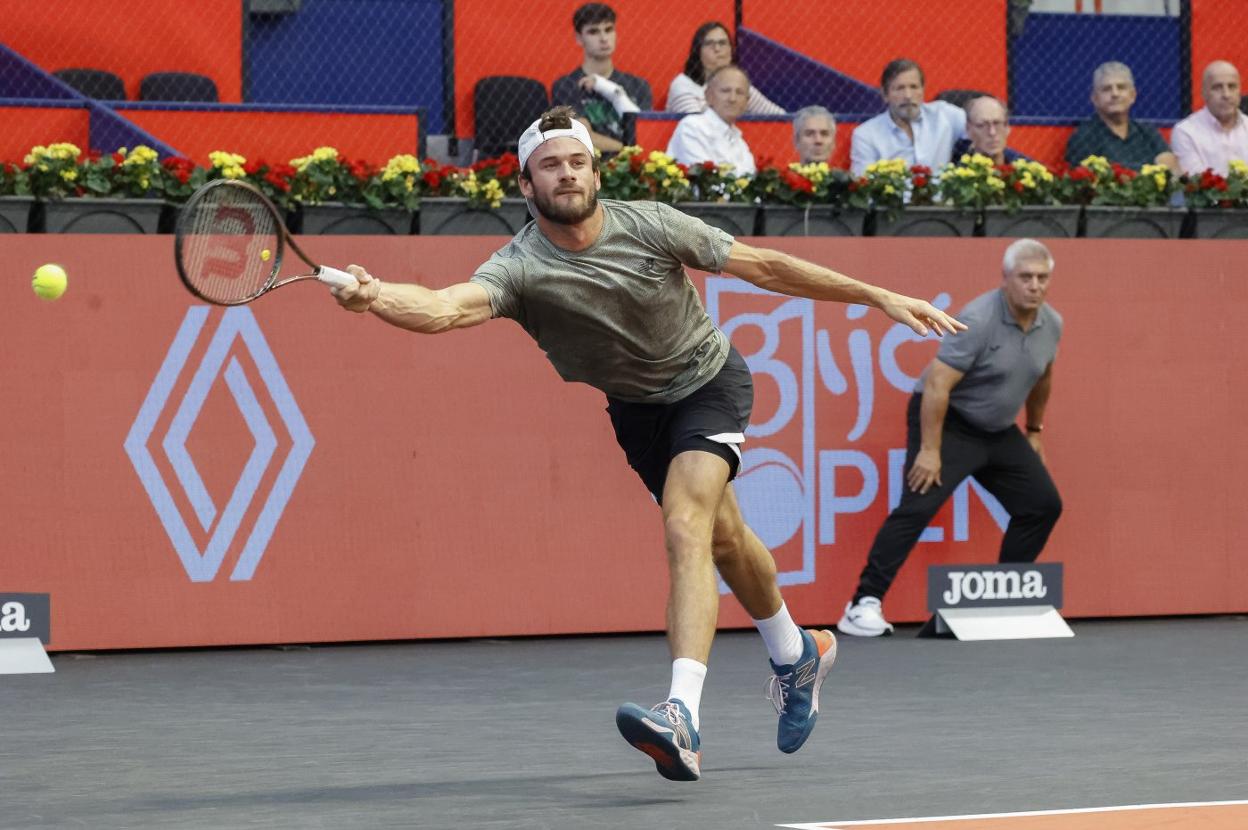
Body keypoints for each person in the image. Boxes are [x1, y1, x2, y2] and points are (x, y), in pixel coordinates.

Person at [330, 106, 965, 780]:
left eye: (577, 161)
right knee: (725, 538)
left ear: (595, 171)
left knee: (686, 525)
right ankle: (795, 652)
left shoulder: (652, 224)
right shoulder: (518, 268)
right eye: (551, 165)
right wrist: (373, 297)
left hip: (709, 383)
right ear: (526, 185)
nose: (567, 173)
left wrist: (877, 295)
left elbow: (764, 267)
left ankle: (681, 715)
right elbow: (444, 308)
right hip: (637, 415)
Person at [838, 239, 1062, 638]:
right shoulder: (978, 318)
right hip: (950, 421)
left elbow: (1042, 377)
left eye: (1042, 278)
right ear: (1006, 280)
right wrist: (930, 449)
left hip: (999, 429)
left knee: (1042, 505)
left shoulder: (1052, 324)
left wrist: (1034, 432)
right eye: (1025, 277)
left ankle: (1008, 597)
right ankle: (862, 605)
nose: (1034, 285)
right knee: (918, 507)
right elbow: (938, 385)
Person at [551, 3, 653, 155]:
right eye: (594, 32)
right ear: (579, 38)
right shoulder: (566, 85)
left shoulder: (639, 86)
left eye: (609, 29)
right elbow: (583, 136)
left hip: (634, 169)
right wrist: (628, 149)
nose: (604, 38)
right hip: (590, 166)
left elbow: (646, 135)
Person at [850, 58, 967, 176]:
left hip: (940, 194)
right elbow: (862, 183)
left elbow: (980, 124)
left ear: (923, 90)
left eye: (914, 87)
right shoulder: (866, 135)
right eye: (900, 88)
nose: (908, 96)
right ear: (885, 94)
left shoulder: (944, 115)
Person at [1064, 61, 1179, 172]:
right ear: (1095, 98)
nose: (1115, 94)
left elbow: (1171, 168)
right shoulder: (1084, 137)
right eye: (1106, 89)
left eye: (1121, 87)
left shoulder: (1147, 132)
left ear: (1133, 95)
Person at [666, 21, 784, 116]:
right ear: (697, 51)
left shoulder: (739, 85)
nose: (717, 49)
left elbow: (780, 117)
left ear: (731, 51)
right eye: (709, 43)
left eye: (722, 43)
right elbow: (696, 125)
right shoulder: (683, 84)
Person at [666, 65, 756, 174]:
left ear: (747, 102)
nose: (732, 98)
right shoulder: (692, 127)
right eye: (725, 91)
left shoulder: (740, 142)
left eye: (739, 92)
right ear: (708, 95)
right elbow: (704, 182)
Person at [1171, 60, 1248, 176]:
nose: (1226, 95)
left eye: (1232, 87)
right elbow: (1197, 183)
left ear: (1239, 91)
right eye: (1217, 87)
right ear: (1204, 93)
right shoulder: (1185, 132)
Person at [951, 96, 1030, 165]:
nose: (992, 132)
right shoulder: (955, 175)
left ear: (1007, 127)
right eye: (981, 125)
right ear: (968, 129)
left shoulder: (1027, 171)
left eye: (997, 123)